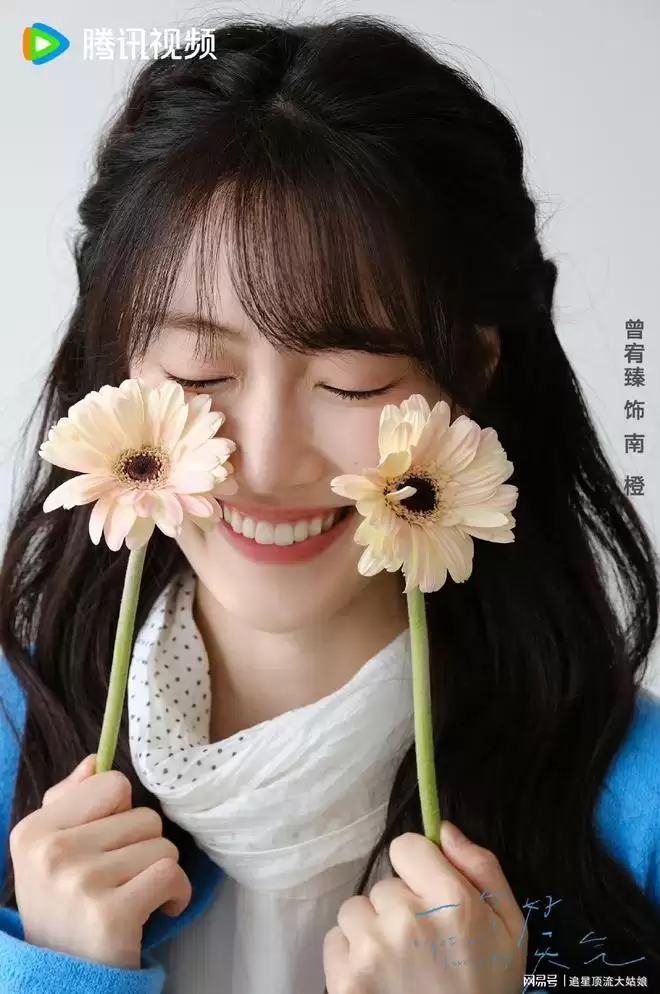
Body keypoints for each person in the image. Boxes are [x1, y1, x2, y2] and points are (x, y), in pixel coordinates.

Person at [1, 13, 659, 994]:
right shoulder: (15, 736)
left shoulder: (635, 809)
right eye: (200, 370)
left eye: (352, 381)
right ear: (120, 367)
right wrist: (58, 974)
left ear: (472, 374)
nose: (265, 463)